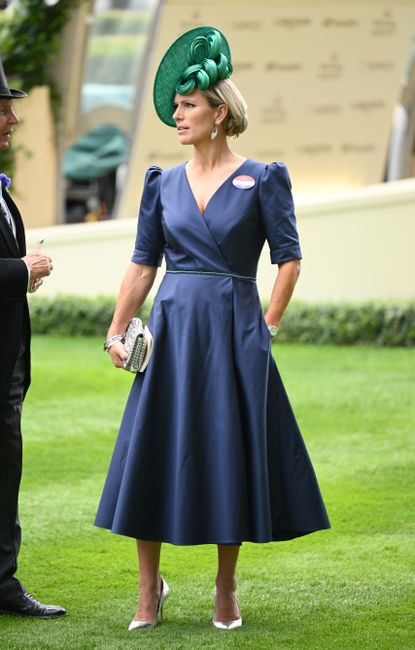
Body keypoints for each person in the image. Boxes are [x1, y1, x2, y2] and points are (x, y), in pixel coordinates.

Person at [95, 26, 330, 631]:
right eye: (175, 107)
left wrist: (268, 325)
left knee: (230, 453)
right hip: (171, 333)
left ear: (218, 112)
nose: (178, 116)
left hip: (233, 334)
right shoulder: (160, 184)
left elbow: (290, 258)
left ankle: (226, 589)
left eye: (188, 105)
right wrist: (117, 331)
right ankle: (149, 591)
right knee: (152, 452)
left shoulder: (264, 178)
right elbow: (143, 264)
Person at [0, 56, 66, 619]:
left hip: (9, 366)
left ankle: (2, 584)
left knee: (5, 475)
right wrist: (23, 269)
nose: (12, 120)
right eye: (3, 110)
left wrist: (23, 273)